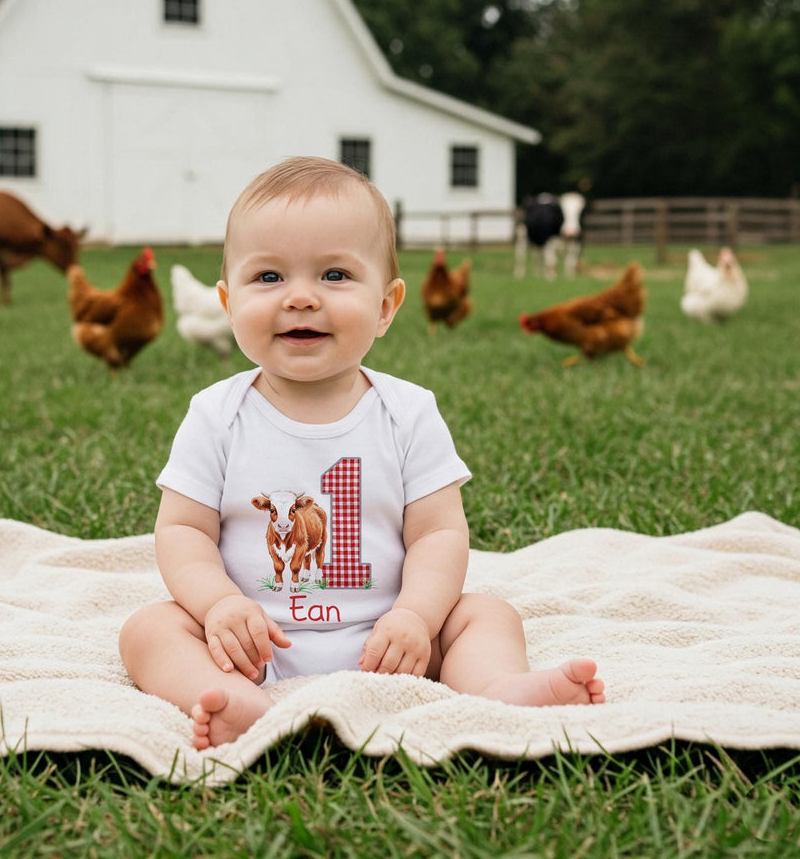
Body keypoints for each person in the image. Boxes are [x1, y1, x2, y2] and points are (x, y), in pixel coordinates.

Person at [119, 157, 605, 749]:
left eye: (334, 276)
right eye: (268, 278)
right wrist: (218, 605)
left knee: (486, 614)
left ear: (386, 306)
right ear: (227, 302)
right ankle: (226, 701)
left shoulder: (408, 412)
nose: (300, 298)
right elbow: (182, 532)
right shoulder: (215, 414)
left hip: (392, 643)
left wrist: (417, 619)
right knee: (150, 628)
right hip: (250, 646)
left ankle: (499, 689)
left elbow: (438, 535)